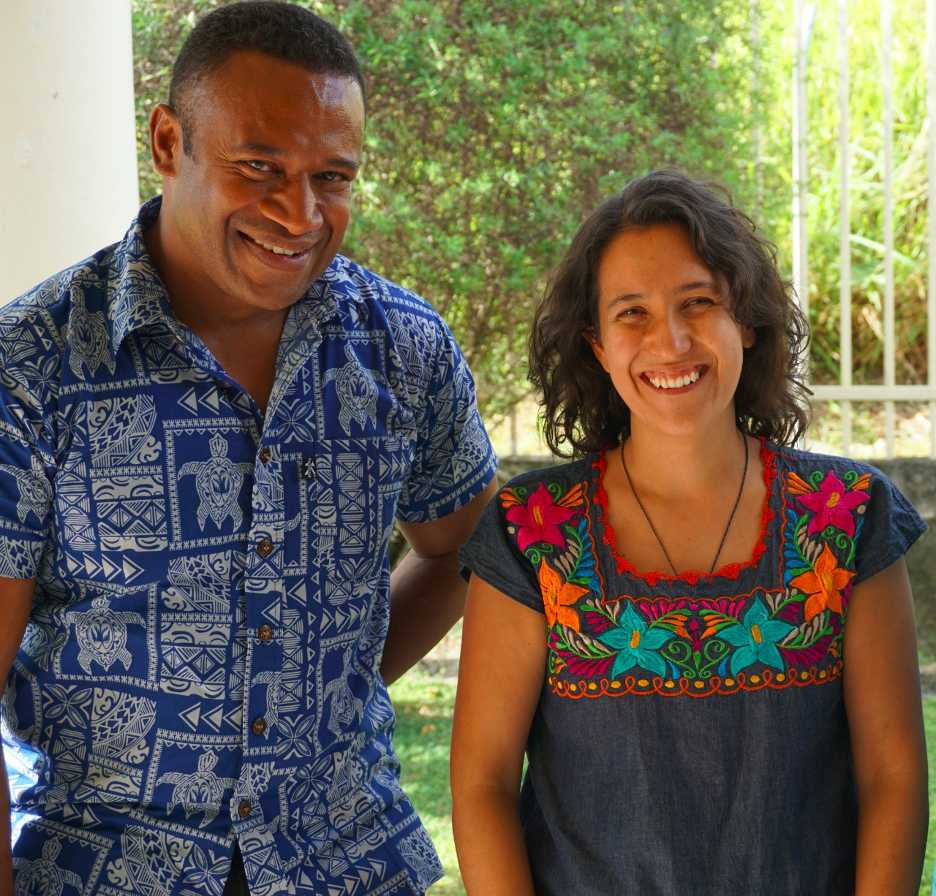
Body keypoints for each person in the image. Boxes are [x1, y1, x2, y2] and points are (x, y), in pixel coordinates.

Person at [0, 3, 497, 893]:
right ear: (166, 140)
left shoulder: (404, 348)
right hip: (105, 871)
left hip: (350, 865)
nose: (299, 213)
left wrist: (314, 692)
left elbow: (466, 546)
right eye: (258, 166)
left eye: (332, 177)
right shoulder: (31, 367)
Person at [451, 169, 928, 895]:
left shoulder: (847, 517)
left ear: (748, 321)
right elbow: (483, 782)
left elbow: (893, 776)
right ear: (598, 346)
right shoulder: (532, 533)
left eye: (698, 302)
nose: (669, 340)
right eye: (632, 313)